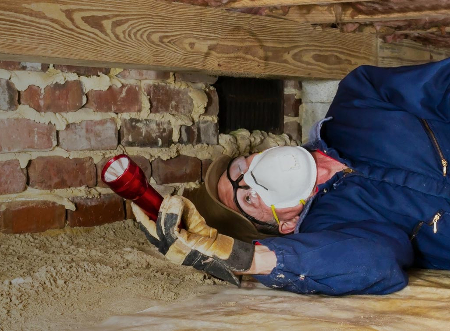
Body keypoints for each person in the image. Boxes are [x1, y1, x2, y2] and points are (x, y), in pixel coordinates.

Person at [133, 58, 450, 296]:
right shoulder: (331, 232)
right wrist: (247, 259)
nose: (252, 178)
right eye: (247, 196)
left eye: (239, 169)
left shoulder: (359, 98)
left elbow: (441, 85)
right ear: (282, 225)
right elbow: (373, 263)